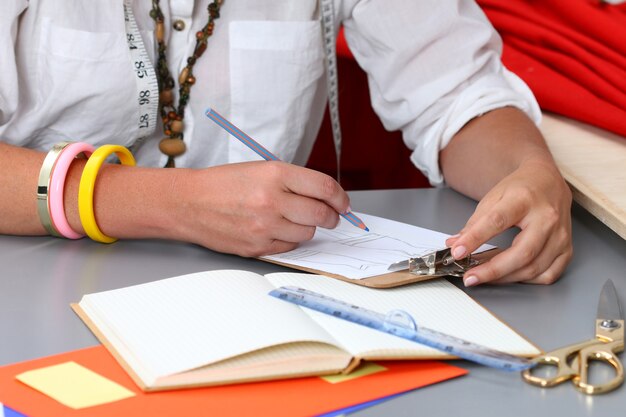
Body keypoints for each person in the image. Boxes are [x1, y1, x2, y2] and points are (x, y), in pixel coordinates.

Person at [0, 0, 572, 286]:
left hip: (261, 302)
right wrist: (173, 205)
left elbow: (456, 93)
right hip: (33, 283)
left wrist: (529, 168)